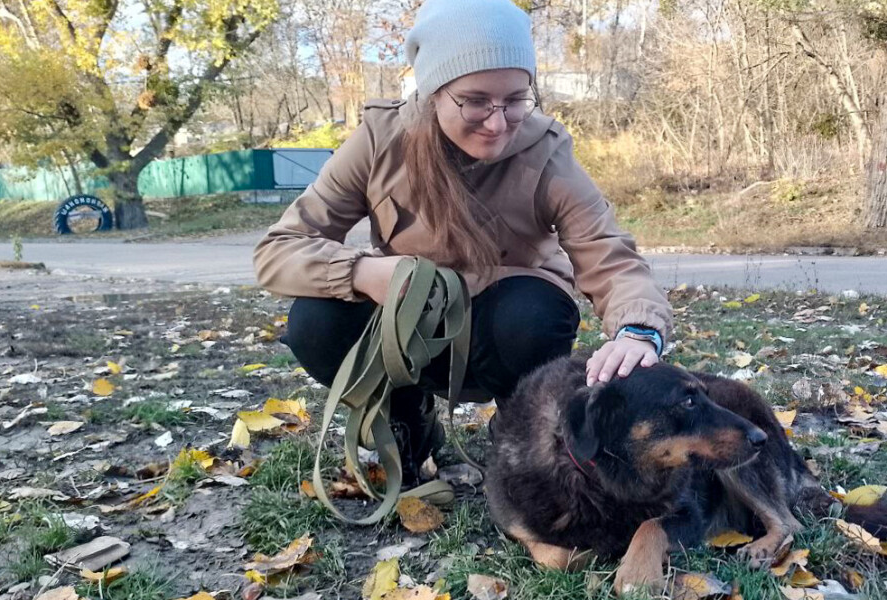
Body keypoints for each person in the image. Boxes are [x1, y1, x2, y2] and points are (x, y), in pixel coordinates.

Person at [253, 0, 672, 483]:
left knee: (535, 310)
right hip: (406, 329)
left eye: (515, 99)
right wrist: (363, 273)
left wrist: (639, 329)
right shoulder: (379, 140)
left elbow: (609, 253)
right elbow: (278, 249)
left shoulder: (547, 150)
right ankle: (405, 422)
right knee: (316, 319)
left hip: (503, 333)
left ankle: (519, 428)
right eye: (475, 100)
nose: (498, 122)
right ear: (433, 90)